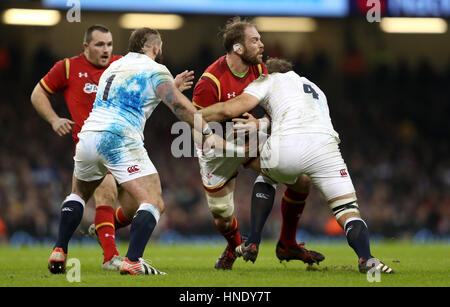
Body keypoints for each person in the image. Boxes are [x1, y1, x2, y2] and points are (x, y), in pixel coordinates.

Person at [47, 27, 221, 276]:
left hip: (89, 136)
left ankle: (59, 249)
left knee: (78, 194)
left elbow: (134, 93)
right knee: (153, 200)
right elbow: (179, 107)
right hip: (119, 139)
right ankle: (133, 261)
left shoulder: (113, 68)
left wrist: (170, 86)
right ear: (155, 48)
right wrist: (206, 131)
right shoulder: (155, 69)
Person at [199, 58, 395, 274]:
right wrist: (262, 123)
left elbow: (230, 109)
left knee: (268, 176)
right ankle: (366, 258)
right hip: (326, 149)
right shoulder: (315, 88)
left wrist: (192, 114)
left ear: (267, 72)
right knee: (347, 210)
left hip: (288, 144)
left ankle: (253, 240)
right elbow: (295, 113)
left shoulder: (265, 80)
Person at [192, 17, 324, 270]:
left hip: (249, 141)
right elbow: (194, 122)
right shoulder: (210, 82)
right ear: (237, 48)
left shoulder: (260, 71)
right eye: (255, 40)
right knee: (222, 217)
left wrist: (260, 124)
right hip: (217, 151)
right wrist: (212, 140)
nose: (262, 45)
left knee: (301, 179)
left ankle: (287, 242)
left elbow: (273, 112)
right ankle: (234, 247)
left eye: (260, 39)